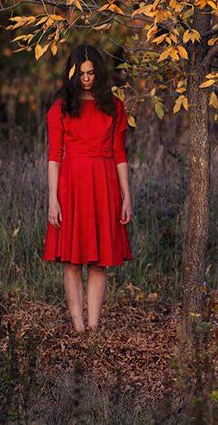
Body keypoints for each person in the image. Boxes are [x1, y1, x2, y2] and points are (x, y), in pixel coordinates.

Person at [42, 42, 132, 332]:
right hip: (71, 186)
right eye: (81, 74)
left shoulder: (114, 107)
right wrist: (53, 199)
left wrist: (126, 196)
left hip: (103, 185)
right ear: (72, 74)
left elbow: (119, 153)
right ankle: (78, 327)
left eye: (91, 73)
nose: (86, 78)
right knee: (71, 262)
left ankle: (93, 329)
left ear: (98, 73)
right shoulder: (61, 108)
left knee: (98, 262)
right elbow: (54, 156)